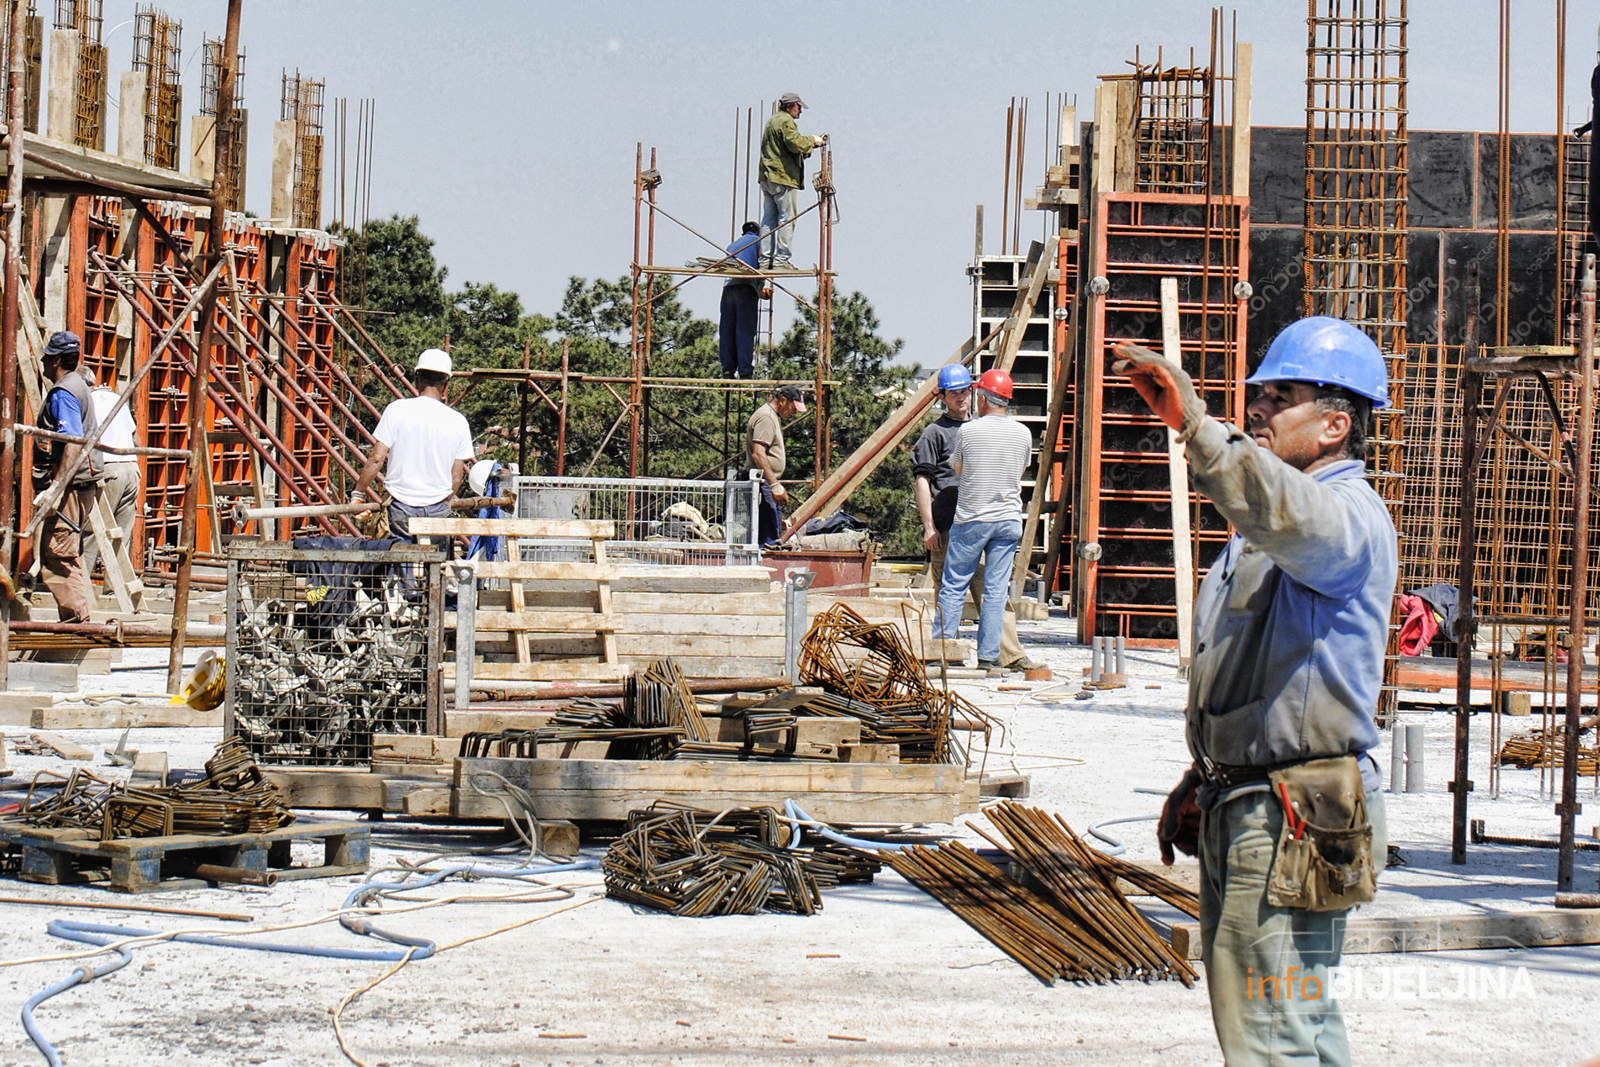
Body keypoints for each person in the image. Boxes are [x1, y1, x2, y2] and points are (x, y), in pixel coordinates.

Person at [1115, 316, 1396, 1067]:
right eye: (1259, 394)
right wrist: (1207, 773)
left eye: (1283, 395)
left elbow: (1281, 509)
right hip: (1256, 801)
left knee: (1272, 1039)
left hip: (1292, 815)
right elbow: (1257, 667)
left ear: (1337, 423)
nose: (1261, 408)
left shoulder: (1344, 518)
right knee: (1295, 1024)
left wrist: (1200, 428)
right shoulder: (1274, 525)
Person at [913, 363, 1043, 671]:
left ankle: (1005, 653)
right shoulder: (935, 433)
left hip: (971, 519)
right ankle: (948, 653)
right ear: (942, 396)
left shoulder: (973, 429)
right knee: (951, 587)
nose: (962, 398)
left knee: (986, 591)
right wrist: (929, 526)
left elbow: (962, 470)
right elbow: (922, 481)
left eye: (966, 391)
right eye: (954, 393)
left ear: (979, 394)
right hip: (949, 523)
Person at [350, 348, 474, 543]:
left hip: (401, 507)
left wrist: (358, 493)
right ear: (445, 385)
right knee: (435, 568)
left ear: (417, 380)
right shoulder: (458, 421)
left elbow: (376, 458)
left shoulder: (397, 410)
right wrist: (440, 500)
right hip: (438, 509)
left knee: (401, 566)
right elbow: (457, 476)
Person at [32, 331, 102, 623]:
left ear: (57, 360)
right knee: (68, 552)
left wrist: (56, 487)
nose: (44, 362)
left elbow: (72, 440)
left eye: (48, 357)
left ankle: (75, 627)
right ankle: (78, 622)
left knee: (57, 555)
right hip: (83, 482)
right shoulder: (79, 386)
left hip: (72, 486)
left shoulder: (64, 391)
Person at [759, 92, 825, 269]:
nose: (800, 111)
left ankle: (765, 260)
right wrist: (812, 140)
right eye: (798, 107)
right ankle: (781, 260)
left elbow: (787, 148)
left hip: (767, 176)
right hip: (782, 177)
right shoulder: (786, 121)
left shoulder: (772, 121)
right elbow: (795, 143)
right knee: (787, 218)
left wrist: (809, 147)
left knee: (768, 219)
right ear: (790, 106)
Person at [84, 377, 141, 582]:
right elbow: (137, 440)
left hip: (107, 468)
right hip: (131, 468)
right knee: (121, 535)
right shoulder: (118, 398)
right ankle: (115, 587)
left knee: (92, 532)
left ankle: (80, 587)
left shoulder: (86, 402)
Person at [747, 384, 806, 547]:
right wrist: (773, 484)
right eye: (793, 408)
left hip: (766, 481)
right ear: (782, 401)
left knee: (771, 530)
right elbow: (758, 453)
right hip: (763, 482)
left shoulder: (772, 416)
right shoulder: (766, 417)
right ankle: (761, 566)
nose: (794, 413)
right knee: (767, 538)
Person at [719, 221, 762, 380]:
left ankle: (728, 370)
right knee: (744, 331)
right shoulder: (758, 242)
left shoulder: (732, 245)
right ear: (758, 232)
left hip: (729, 289)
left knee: (727, 331)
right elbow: (762, 264)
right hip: (746, 288)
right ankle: (745, 372)